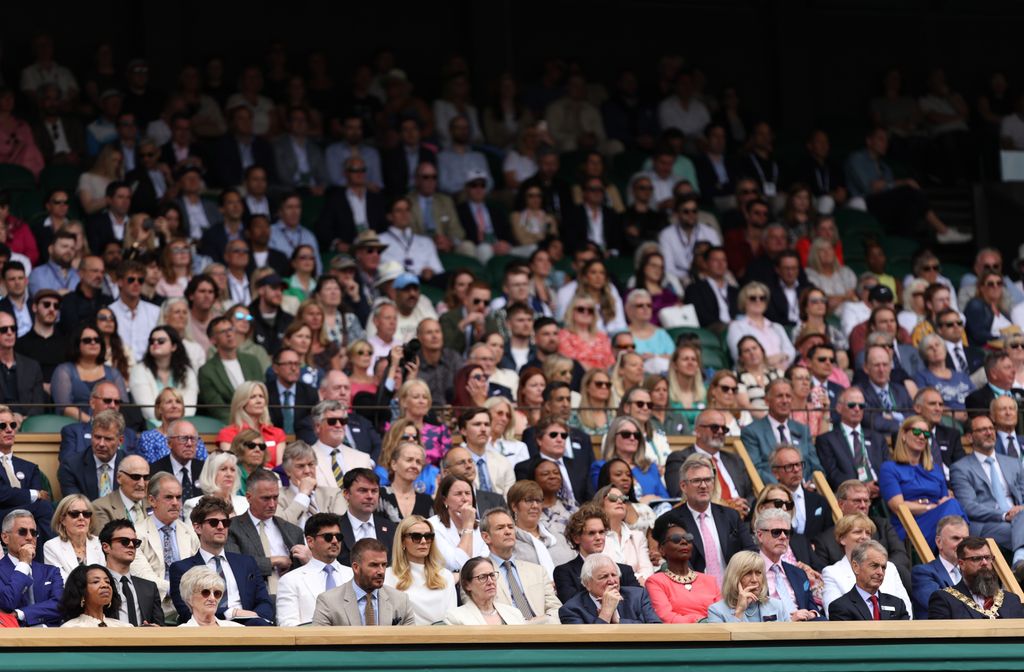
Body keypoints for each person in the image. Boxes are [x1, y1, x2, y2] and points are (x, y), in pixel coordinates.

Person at [170, 495, 275, 625]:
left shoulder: (247, 563)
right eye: (214, 522)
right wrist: (230, 613)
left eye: (225, 523)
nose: (221, 527)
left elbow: (264, 602)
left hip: (250, 628)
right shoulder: (181, 568)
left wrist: (256, 618)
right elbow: (187, 611)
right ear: (197, 527)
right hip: (208, 630)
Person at [662, 454, 757, 586]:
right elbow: (679, 565)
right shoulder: (672, 521)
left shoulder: (731, 515)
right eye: (696, 481)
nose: (703, 485)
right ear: (683, 486)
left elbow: (751, 552)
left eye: (708, 480)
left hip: (735, 590)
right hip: (695, 593)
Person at [880, 415, 967, 546]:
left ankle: (958, 549)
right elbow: (898, 506)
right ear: (903, 434)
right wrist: (929, 507)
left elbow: (944, 501)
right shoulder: (889, 468)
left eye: (926, 434)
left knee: (952, 505)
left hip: (939, 522)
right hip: (910, 526)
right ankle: (963, 549)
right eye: (916, 432)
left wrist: (922, 505)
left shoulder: (935, 469)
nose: (921, 437)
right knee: (952, 507)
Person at [950, 415, 1024, 566]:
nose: (989, 432)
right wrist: (1004, 515)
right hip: (988, 523)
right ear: (970, 437)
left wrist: (1020, 510)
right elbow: (968, 506)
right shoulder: (961, 468)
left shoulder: (1013, 463)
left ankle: (1019, 557)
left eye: (991, 428)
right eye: (982, 430)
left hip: (1020, 517)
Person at [821, 513, 913, 617]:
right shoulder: (832, 572)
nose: (864, 537)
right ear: (842, 539)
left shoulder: (890, 567)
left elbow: (906, 609)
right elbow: (833, 612)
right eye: (857, 532)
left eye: (868, 533)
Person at [312, 537, 415, 626]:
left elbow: (412, 643)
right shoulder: (328, 602)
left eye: (383, 565)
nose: (381, 571)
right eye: (374, 565)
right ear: (356, 567)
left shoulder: (401, 601)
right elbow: (318, 643)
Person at [274, 513, 354, 627]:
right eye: (328, 537)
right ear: (310, 541)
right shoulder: (290, 580)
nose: (335, 541)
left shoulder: (354, 575)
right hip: (311, 643)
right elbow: (288, 625)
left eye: (339, 536)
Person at [552, 505, 641, 603]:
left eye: (601, 532)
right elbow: (572, 606)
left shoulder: (625, 571)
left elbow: (640, 601)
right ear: (576, 538)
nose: (599, 537)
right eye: (591, 533)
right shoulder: (564, 572)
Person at [740, 379, 821, 484]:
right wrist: (786, 488)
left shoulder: (802, 430)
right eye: (779, 396)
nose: (785, 401)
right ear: (767, 401)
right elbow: (756, 470)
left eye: (788, 396)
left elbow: (816, 467)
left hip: (806, 491)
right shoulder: (752, 432)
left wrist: (812, 484)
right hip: (774, 492)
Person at [382, 514, 457, 625]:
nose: (423, 541)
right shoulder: (388, 576)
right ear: (402, 541)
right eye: (416, 537)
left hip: (441, 638)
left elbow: (451, 618)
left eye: (428, 536)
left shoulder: (445, 575)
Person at [645, 515, 721, 623]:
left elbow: (723, 614)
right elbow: (667, 617)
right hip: (679, 637)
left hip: (715, 635)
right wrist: (700, 621)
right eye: (676, 539)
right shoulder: (655, 582)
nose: (684, 542)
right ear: (662, 549)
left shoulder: (710, 580)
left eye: (688, 538)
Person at [928, 536, 1024, 619]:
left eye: (987, 557)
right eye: (976, 559)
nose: (985, 563)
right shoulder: (945, 599)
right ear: (961, 564)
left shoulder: (1011, 600)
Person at [752, 507, 822, 620]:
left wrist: (811, 614)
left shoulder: (798, 573)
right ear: (760, 536)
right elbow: (750, 615)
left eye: (787, 532)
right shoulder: (748, 571)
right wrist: (788, 621)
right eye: (776, 532)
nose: (783, 537)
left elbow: (812, 608)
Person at [814, 386, 888, 493]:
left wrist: (880, 486)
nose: (857, 409)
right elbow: (832, 475)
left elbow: (887, 470)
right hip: (850, 496)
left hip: (881, 494)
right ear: (839, 408)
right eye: (852, 405)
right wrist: (863, 488)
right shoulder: (826, 440)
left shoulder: (878, 438)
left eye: (861, 406)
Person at [51, 322, 127, 421]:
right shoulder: (64, 371)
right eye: (87, 340)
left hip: (110, 427)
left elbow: (124, 405)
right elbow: (64, 407)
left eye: (97, 340)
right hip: (74, 427)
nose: (93, 343)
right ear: (77, 344)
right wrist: (93, 422)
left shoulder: (113, 372)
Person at [0, 509, 64, 626]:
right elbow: (7, 601)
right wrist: (23, 563)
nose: (30, 537)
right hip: (12, 639)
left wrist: (21, 613)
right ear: (5, 538)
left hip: (50, 638)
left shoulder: (51, 571)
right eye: (22, 532)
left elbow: (60, 605)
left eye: (34, 533)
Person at [558, 552, 660, 624]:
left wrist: (618, 621)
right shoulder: (571, 610)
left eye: (614, 575)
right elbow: (585, 646)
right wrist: (605, 614)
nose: (612, 581)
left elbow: (656, 628)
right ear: (587, 584)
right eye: (604, 577)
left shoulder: (638, 596)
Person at [98, 519, 163, 626]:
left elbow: (161, 628)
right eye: (124, 541)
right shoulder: (94, 585)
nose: (131, 545)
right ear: (106, 547)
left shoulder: (149, 587)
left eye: (135, 542)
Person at [130, 326, 198, 425]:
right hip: (152, 427)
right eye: (152, 341)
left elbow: (189, 410)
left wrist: (176, 428)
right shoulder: (139, 370)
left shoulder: (187, 372)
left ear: (174, 346)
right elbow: (148, 410)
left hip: (182, 428)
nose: (155, 343)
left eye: (161, 341)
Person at [827, 540, 911, 621]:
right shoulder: (840, 607)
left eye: (883, 567)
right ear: (856, 567)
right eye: (874, 566)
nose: (880, 572)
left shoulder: (897, 604)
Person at [506, 481, 574, 577]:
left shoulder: (557, 534)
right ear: (514, 506)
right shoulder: (509, 540)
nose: (535, 506)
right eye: (529, 500)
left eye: (538, 501)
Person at [592, 415, 668, 500]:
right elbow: (604, 497)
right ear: (613, 437)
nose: (632, 438)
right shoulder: (601, 466)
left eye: (636, 435)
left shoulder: (650, 467)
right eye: (626, 434)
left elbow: (665, 497)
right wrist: (639, 503)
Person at [56, 410, 127, 501]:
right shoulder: (71, 466)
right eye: (97, 437)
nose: (101, 444)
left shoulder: (131, 466)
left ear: (120, 441)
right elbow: (76, 506)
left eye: (108, 439)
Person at [592, 485, 656, 584]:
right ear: (600, 505)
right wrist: (636, 579)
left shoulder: (638, 536)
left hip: (640, 592)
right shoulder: (596, 538)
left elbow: (647, 569)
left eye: (623, 498)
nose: (620, 501)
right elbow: (602, 571)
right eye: (613, 498)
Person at [705, 550, 790, 622]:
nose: (754, 580)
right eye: (748, 573)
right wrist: (739, 611)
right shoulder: (716, 611)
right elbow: (726, 641)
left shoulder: (777, 606)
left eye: (758, 573)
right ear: (734, 578)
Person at [214, 381, 286, 466]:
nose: (259, 401)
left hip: (273, 477)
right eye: (253, 397)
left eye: (261, 396)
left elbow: (280, 468)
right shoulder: (228, 433)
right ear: (241, 402)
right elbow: (231, 466)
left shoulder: (277, 433)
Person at [726, 282, 796, 369]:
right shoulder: (736, 327)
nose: (758, 301)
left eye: (762, 298)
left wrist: (781, 358)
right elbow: (739, 355)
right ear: (744, 301)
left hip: (782, 371)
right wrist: (769, 363)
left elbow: (790, 351)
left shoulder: (776, 327)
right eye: (753, 298)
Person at [911, 515, 969, 618]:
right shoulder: (922, 573)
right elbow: (941, 606)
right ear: (939, 542)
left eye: (965, 539)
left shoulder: (971, 572)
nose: (962, 544)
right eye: (955, 538)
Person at [428, 474, 487, 572]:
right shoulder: (432, 526)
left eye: (468, 493)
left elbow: (486, 561)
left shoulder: (483, 526)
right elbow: (457, 564)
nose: (465, 498)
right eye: (458, 494)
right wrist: (468, 525)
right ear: (444, 500)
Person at [337, 469, 395, 567]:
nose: (370, 496)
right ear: (346, 494)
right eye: (363, 490)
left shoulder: (391, 529)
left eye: (374, 491)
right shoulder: (335, 528)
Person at [43, 494, 105, 582]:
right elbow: (61, 582)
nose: (81, 518)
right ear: (62, 520)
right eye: (74, 514)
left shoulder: (99, 543)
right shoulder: (51, 547)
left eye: (86, 514)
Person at [59, 564, 129, 628]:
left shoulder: (124, 627)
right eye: (96, 582)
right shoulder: (70, 628)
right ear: (81, 590)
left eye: (107, 581)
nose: (105, 585)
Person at [175, 566, 243, 627]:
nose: (212, 598)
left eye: (217, 593)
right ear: (189, 598)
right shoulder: (180, 632)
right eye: (205, 592)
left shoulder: (237, 628)